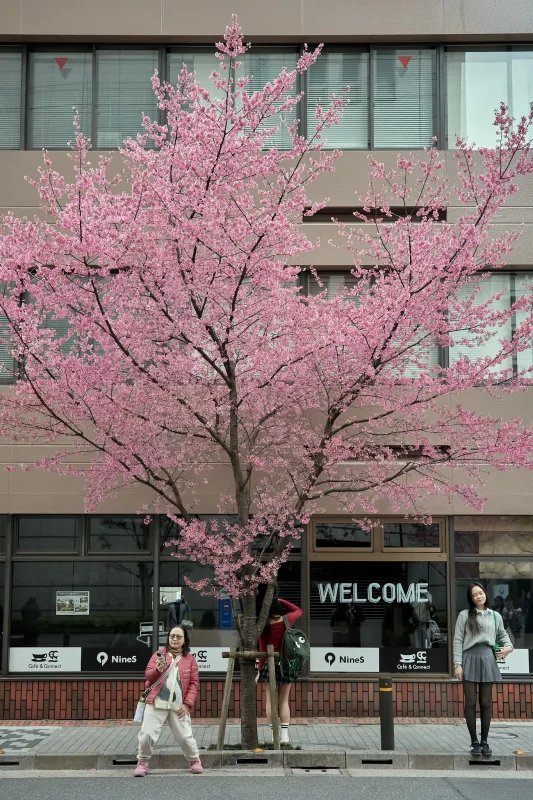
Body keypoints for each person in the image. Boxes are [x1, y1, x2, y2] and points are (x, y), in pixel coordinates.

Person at [134, 625, 203, 776]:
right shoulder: (159, 655)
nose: (175, 639)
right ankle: (143, 762)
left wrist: (187, 704)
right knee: (147, 734)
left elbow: (193, 683)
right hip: (156, 701)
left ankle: (194, 760)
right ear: (168, 638)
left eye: (179, 637)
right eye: (172, 636)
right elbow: (148, 676)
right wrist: (157, 670)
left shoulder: (190, 660)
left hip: (178, 705)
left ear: (184, 640)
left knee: (185, 736)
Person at [453, 582, 513, 756]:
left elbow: (503, 634)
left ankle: (485, 741)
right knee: (470, 702)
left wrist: (508, 648)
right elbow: (458, 640)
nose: (478, 596)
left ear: (485, 593)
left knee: (486, 702)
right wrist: (458, 664)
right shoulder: (464, 615)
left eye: (480, 593)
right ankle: (474, 742)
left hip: (488, 658)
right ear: (471, 598)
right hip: (469, 658)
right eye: (474, 595)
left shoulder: (495, 616)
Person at [256, 597, 302, 743]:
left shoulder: (263, 625)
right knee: (283, 701)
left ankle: (273, 734)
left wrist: (258, 670)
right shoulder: (287, 620)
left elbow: (263, 649)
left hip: (269, 663)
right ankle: (284, 735)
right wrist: (281, 600)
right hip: (286, 663)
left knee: (270, 701)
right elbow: (298, 610)